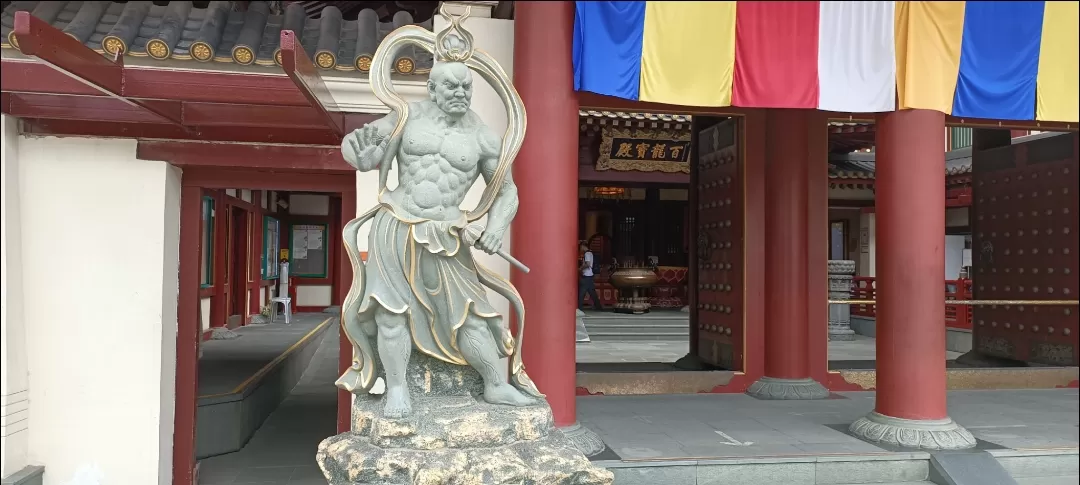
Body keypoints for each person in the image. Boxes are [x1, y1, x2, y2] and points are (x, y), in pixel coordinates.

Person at [338, 59, 539, 418]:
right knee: (390, 311)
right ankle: (397, 389)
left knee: (471, 313)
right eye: (451, 86)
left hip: (447, 232)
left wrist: (494, 230)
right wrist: (364, 156)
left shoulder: (483, 136)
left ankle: (496, 383)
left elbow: (507, 192)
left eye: (466, 87)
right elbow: (357, 149)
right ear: (432, 88)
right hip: (396, 224)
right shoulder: (405, 116)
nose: (460, 92)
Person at [578, 241, 603, 311]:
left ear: (583, 246)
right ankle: (599, 307)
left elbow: (588, 264)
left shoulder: (587, 253)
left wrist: (580, 268)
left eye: (580, 247)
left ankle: (579, 308)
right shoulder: (590, 253)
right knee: (592, 293)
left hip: (586, 276)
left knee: (581, 293)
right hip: (589, 276)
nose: (580, 248)